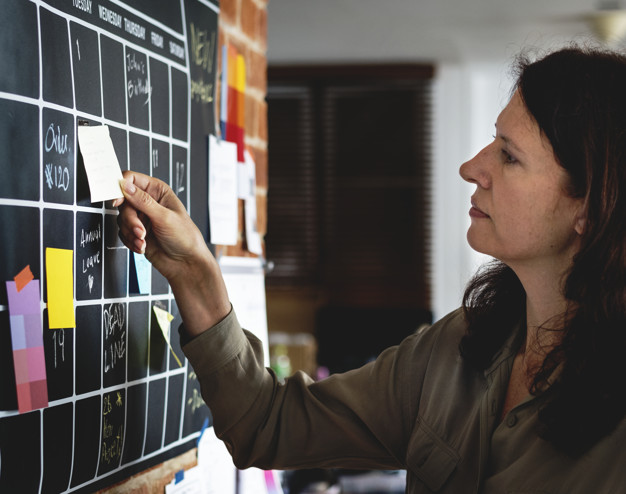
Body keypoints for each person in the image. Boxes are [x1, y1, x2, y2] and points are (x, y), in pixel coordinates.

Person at [115, 45, 626, 493]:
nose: (472, 167)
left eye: (509, 156)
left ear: (591, 203)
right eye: (493, 141)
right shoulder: (457, 349)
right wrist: (193, 272)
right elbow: (269, 424)